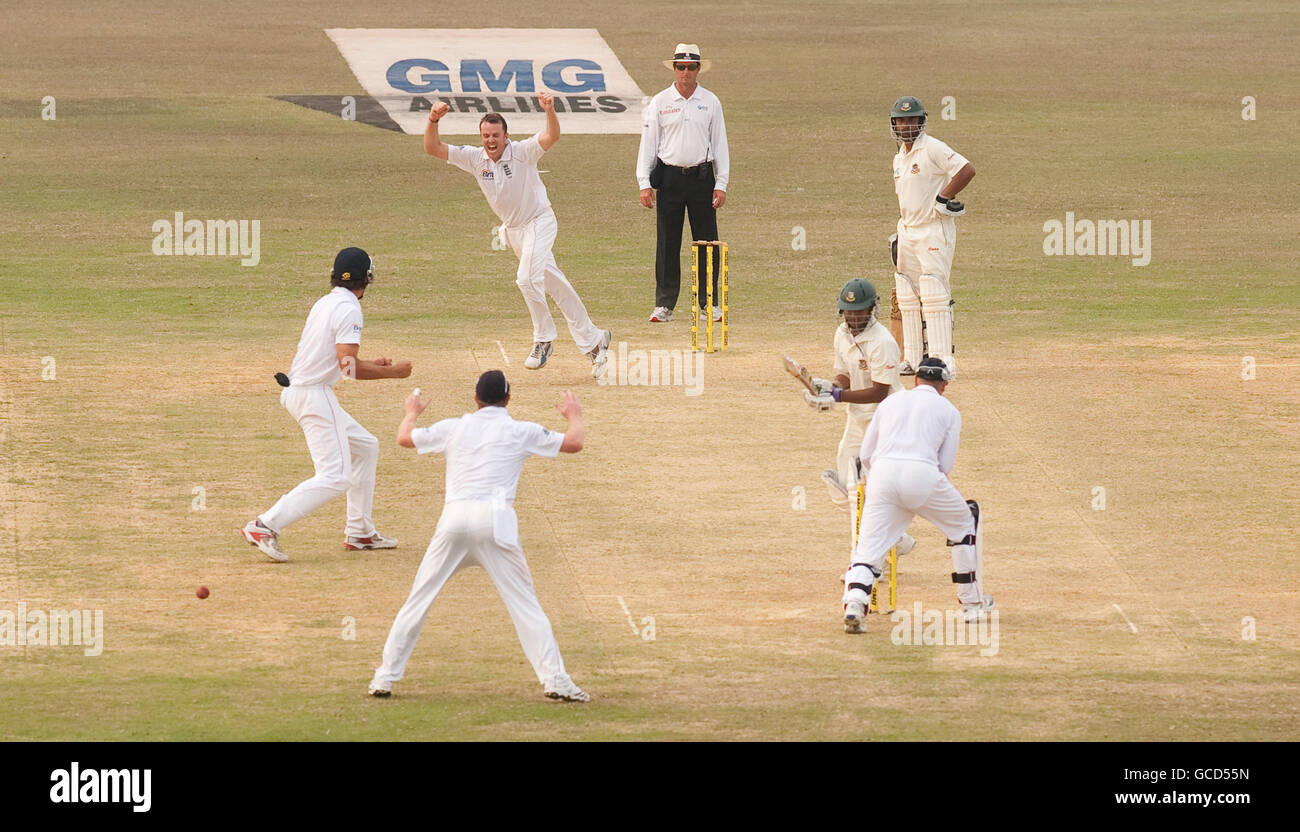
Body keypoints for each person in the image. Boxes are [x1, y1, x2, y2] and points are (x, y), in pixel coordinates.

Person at [368, 371, 591, 703]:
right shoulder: (520, 430)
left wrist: (412, 411)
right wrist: (574, 415)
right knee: (526, 607)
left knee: (418, 600)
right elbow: (574, 443)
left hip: (453, 520)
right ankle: (555, 679)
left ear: (475, 399)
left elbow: (404, 437)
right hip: (496, 522)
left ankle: (384, 677)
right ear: (508, 399)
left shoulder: (455, 426)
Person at [241, 247, 412, 562]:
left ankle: (360, 531)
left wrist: (370, 363)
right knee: (335, 476)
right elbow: (348, 368)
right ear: (368, 278)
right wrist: (392, 373)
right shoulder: (349, 309)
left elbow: (337, 359)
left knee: (366, 447)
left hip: (303, 390)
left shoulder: (327, 302)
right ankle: (265, 525)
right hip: (313, 394)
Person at [424, 92, 611, 377]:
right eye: (486, 135)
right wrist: (433, 119)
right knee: (555, 285)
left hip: (539, 221)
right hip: (513, 232)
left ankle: (543, 338)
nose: (490, 141)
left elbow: (552, 136)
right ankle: (595, 341)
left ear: (506, 135)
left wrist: (549, 110)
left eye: (495, 135)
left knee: (526, 279)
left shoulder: (522, 151)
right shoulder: (476, 159)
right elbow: (433, 148)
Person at [841, 358, 993, 633]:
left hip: (882, 475)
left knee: (869, 548)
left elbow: (866, 454)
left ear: (915, 380)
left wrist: (887, 485)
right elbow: (944, 466)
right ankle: (971, 604)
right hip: (922, 474)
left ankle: (854, 602)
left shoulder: (890, 402)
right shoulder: (949, 410)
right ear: (944, 385)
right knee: (962, 523)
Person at [803, 278, 914, 554]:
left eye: (859, 311)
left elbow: (879, 391)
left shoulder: (883, 342)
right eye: (849, 311)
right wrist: (831, 388)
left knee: (869, 488)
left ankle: (866, 558)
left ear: (872, 309)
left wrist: (838, 397)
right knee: (844, 484)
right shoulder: (841, 334)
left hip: (885, 420)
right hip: (857, 417)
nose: (854, 317)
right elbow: (844, 373)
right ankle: (895, 540)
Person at [636, 43, 730, 323]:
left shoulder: (710, 101)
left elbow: (720, 143)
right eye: (680, 67)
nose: (685, 72)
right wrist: (644, 181)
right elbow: (648, 144)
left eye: (691, 67)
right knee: (667, 242)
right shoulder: (660, 102)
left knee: (706, 241)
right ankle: (664, 305)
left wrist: (721, 183)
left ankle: (708, 303)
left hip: (702, 178)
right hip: (670, 178)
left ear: (698, 69)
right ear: (674, 69)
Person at [889, 96, 975, 376]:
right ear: (894, 125)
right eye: (901, 120)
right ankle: (913, 360)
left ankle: (942, 362)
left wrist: (945, 196)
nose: (907, 125)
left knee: (934, 293)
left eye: (912, 119)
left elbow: (966, 170)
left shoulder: (933, 148)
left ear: (921, 121)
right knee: (908, 296)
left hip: (933, 230)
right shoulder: (899, 157)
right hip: (908, 229)